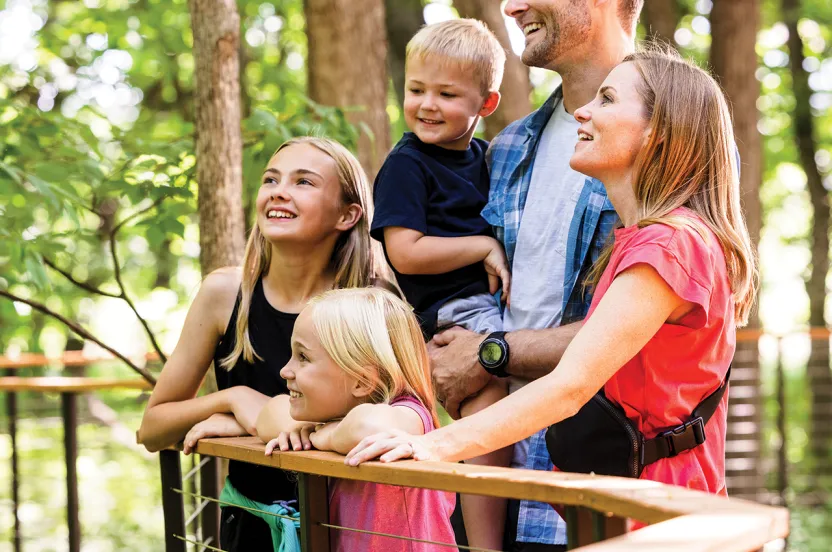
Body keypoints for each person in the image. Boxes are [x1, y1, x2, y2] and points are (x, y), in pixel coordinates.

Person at [345, 48, 757, 537]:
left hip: (659, 520)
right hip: (621, 509)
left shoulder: (671, 244)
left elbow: (571, 385)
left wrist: (435, 445)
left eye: (607, 99)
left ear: (658, 132)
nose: (582, 110)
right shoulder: (648, 239)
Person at [424, 2, 644, 550]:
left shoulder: (676, 138)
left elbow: (655, 329)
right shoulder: (506, 148)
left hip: (606, 498)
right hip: (493, 489)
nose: (511, 5)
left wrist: (488, 352)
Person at [137, 136, 381, 551]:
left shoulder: (371, 302)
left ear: (347, 214)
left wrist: (246, 424)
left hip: (351, 527)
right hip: (250, 526)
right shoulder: (225, 294)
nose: (278, 190)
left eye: (303, 182)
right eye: (271, 179)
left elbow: (390, 424)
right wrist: (233, 399)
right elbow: (153, 429)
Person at [370, 19, 511, 548]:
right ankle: (482, 543)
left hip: (483, 300)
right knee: (489, 407)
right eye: (416, 90)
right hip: (452, 309)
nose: (427, 104)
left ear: (486, 103)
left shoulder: (484, 158)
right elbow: (405, 253)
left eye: (447, 94)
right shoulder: (407, 165)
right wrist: (482, 246)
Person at [255, 288, 457, 552]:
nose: (285, 370)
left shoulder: (410, 416)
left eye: (303, 357)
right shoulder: (336, 416)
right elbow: (270, 413)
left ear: (362, 381)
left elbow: (368, 426)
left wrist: (323, 436)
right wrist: (306, 429)